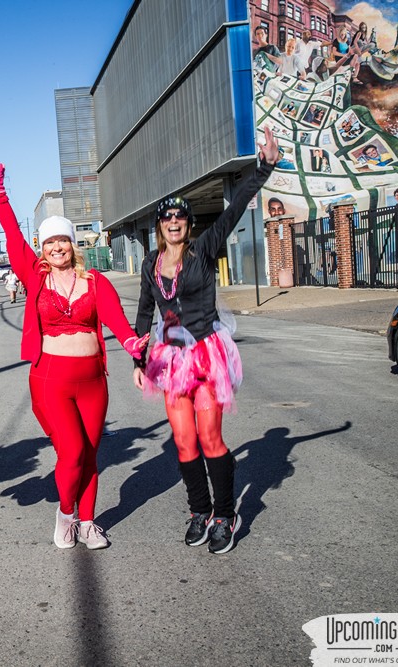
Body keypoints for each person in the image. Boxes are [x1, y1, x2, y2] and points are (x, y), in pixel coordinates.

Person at [131, 126, 278, 555]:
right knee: (183, 441)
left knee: (211, 437)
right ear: (160, 226)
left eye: (180, 217)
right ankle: (199, 509)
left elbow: (233, 210)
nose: (174, 222)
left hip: (206, 355)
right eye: (167, 218)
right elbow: (144, 314)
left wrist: (264, 165)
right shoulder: (148, 264)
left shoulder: (205, 248)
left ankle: (225, 514)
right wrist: (140, 363)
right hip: (169, 360)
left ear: (188, 224)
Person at [0, 164, 148, 550]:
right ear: (41, 248)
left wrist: (131, 345)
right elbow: (11, 235)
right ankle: (66, 515)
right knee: (71, 450)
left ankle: (89, 521)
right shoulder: (34, 275)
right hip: (51, 379)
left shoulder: (96, 281)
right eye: (49, 243)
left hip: (93, 379)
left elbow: (116, 320)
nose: (57, 248)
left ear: (73, 244)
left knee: (91, 454)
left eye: (62, 241)